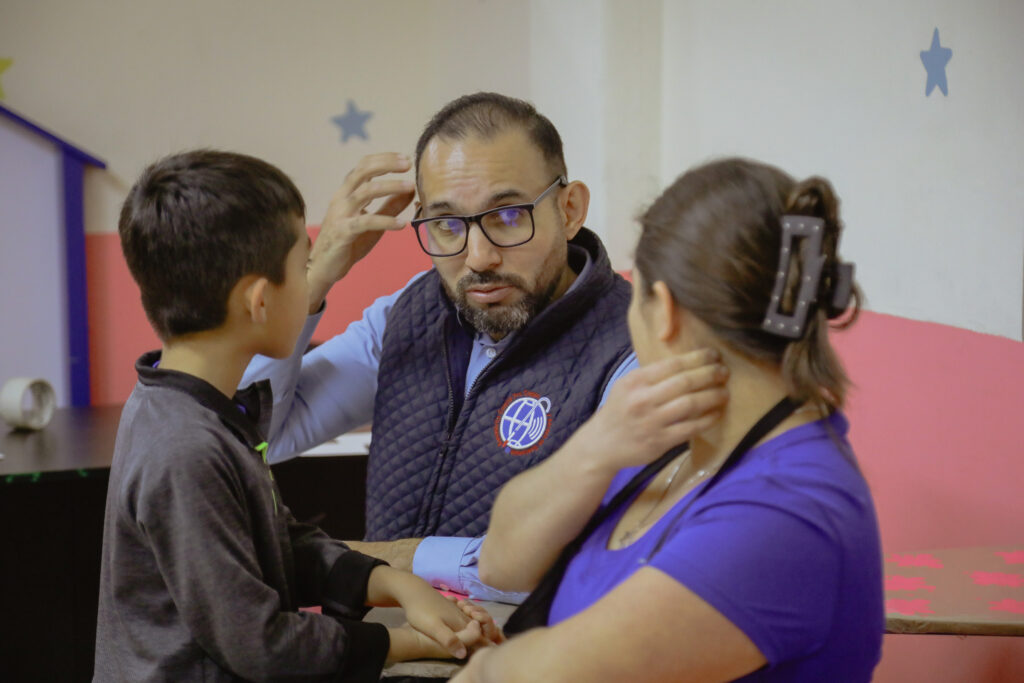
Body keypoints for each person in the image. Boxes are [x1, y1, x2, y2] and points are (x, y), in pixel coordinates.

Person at [243, 92, 728, 601]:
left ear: (569, 210)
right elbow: (261, 433)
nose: (479, 257)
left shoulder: (634, 350)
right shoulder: (407, 316)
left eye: (509, 217)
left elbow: (604, 566)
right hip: (375, 655)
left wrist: (402, 558)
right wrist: (313, 277)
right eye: (447, 224)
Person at [455, 157, 885, 682]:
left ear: (665, 310)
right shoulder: (673, 439)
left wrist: (489, 666)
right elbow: (500, 564)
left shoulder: (786, 509)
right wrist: (597, 447)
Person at [94, 150, 496, 682]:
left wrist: (396, 584)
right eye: (303, 265)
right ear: (260, 301)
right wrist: (404, 642)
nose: (314, 278)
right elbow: (261, 644)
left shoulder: (193, 408)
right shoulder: (184, 449)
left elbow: (275, 547)